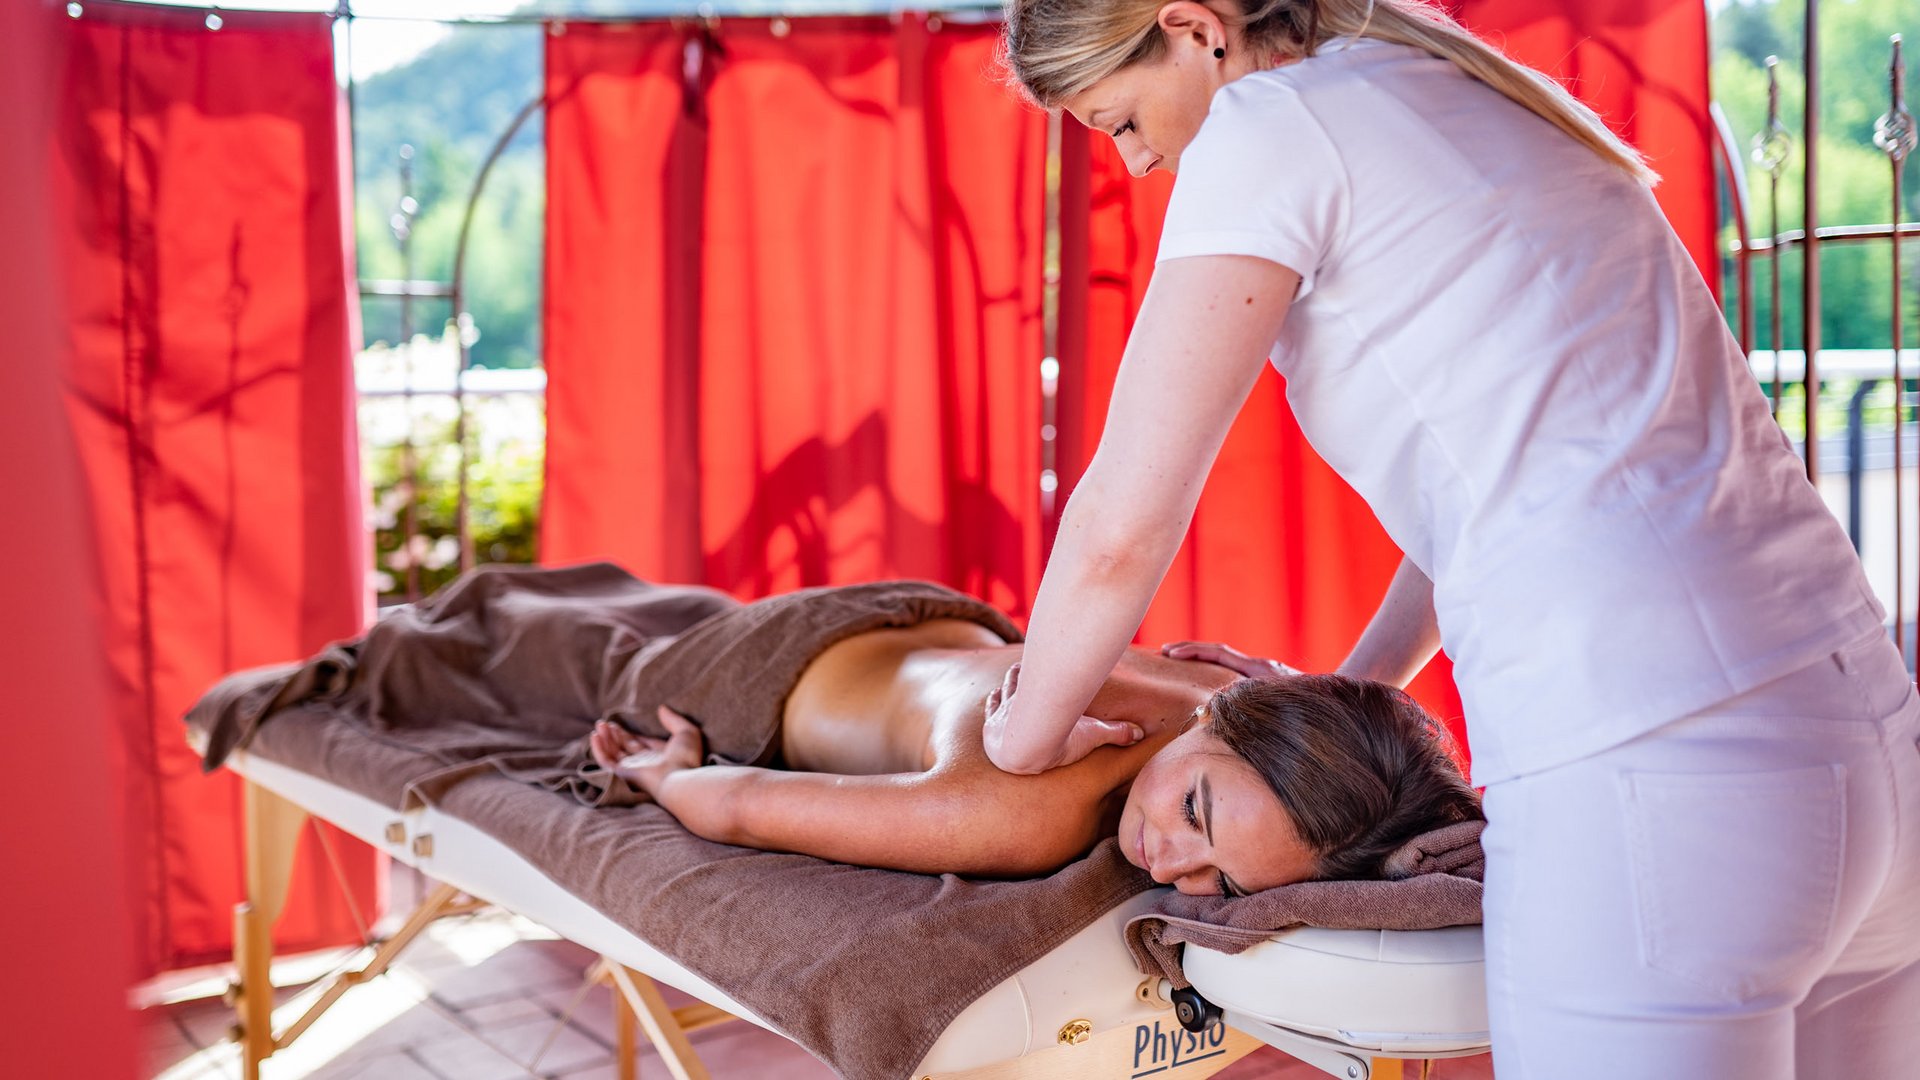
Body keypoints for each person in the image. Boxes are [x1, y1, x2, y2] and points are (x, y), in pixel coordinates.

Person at [988, 0, 1920, 1076]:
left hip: (1656, 775)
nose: (1141, 161)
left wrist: (1022, 738)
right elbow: (1489, 495)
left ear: (1193, 26)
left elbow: (1122, 522)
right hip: (1863, 732)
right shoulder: (1458, 84)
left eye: (1121, 121)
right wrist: (1347, 694)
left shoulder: (1267, 125)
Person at [589, 606, 1479, 890]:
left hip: (954, 622)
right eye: (1194, 813)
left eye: (1226, 882)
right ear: (1226, 715)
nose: (1171, 867)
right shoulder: (1018, 814)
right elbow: (739, 805)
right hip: (773, 669)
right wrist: (674, 774)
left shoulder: (1246, 697)